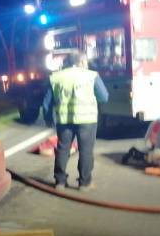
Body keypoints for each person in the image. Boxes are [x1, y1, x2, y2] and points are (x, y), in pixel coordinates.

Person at [41, 53, 109, 190]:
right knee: (86, 151)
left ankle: (60, 182)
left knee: (62, 149)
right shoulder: (91, 75)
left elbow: (47, 103)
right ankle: (84, 183)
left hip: (64, 119)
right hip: (87, 119)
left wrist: (48, 118)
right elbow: (104, 97)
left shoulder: (56, 77)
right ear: (82, 61)